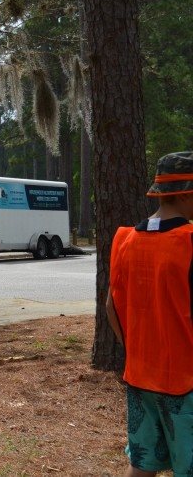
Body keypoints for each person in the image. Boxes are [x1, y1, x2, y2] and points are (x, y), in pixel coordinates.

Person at [106, 151, 193, 476]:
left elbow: (111, 306)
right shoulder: (188, 242)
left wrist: (134, 350)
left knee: (142, 464)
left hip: (141, 375)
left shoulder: (126, 240)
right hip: (185, 381)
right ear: (185, 192)